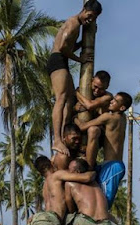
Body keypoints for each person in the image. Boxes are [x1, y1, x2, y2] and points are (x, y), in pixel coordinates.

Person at [48, 0, 102, 156]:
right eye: (90, 16)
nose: (90, 20)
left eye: (94, 18)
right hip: (58, 60)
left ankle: (65, 131)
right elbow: (63, 47)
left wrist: (80, 44)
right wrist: (80, 59)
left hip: (60, 60)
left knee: (71, 98)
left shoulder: (76, 25)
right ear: (84, 9)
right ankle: (57, 139)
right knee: (61, 99)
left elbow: (69, 45)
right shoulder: (73, 24)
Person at [74, 92, 132, 208]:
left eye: (115, 101)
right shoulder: (122, 118)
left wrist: (75, 117)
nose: (111, 101)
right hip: (110, 165)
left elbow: (82, 127)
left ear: (121, 108)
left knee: (103, 204)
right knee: (97, 199)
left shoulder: (109, 117)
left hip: (113, 167)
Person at [29, 156, 96, 225]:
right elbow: (87, 178)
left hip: (39, 219)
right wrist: (94, 171)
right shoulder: (57, 175)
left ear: (40, 172)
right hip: (51, 219)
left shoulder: (44, 187)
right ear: (51, 164)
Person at [74, 70, 112, 169]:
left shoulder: (107, 97)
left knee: (93, 130)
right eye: (95, 87)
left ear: (107, 86)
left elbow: (89, 105)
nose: (96, 91)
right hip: (78, 130)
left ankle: (89, 167)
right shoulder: (83, 91)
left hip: (98, 134)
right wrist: (74, 109)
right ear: (91, 81)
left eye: (101, 89)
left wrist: (76, 93)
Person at [65, 159, 111, 225]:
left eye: (69, 169)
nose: (67, 172)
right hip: (104, 221)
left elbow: (69, 204)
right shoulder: (95, 182)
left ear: (77, 172)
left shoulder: (69, 183)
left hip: (86, 220)